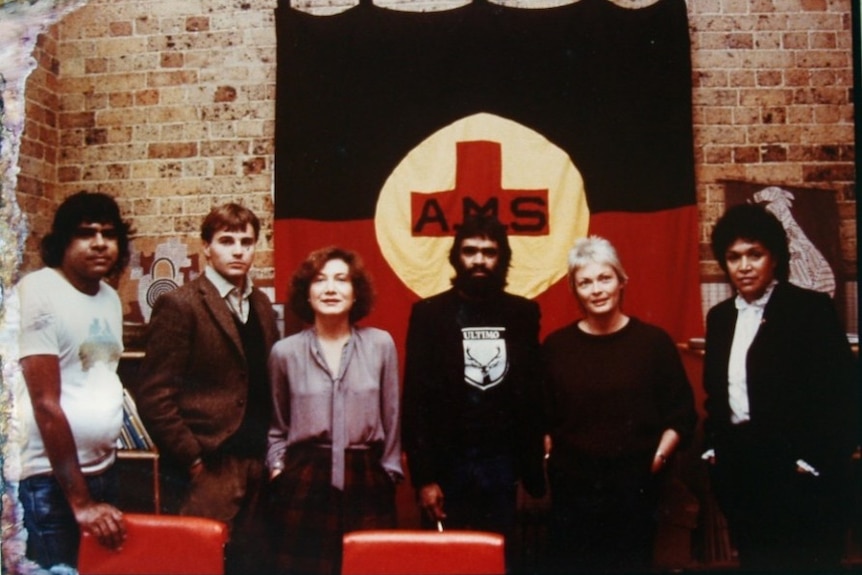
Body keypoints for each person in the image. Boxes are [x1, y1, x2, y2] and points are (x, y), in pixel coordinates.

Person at [703, 202, 858, 571]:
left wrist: (813, 462)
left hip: (800, 479)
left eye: (755, 254)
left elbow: (846, 395)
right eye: (734, 256)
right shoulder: (720, 318)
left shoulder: (810, 310)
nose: (744, 266)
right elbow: (717, 394)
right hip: (743, 474)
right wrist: (714, 450)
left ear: (774, 257)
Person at [131, 203, 279, 575]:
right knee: (200, 563)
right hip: (210, 465)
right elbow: (154, 395)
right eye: (227, 241)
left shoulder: (260, 304)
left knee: (251, 564)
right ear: (207, 248)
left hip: (256, 461)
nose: (238, 250)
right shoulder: (180, 304)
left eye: (246, 242)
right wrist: (194, 461)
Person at [541, 235, 696, 573]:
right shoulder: (556, 347)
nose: (596, 289)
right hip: (574, 492)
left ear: (622, 281)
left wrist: (658, 458)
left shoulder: (653, 343)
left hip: (635, 488)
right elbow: (542, 417)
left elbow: (682, 414)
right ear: (574, 290)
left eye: (604, 278)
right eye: (585, 282)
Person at [402, 215, 546, 565]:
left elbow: (532, 397)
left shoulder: (523, 313)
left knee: (502, 561)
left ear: (503, 258)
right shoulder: (428, 314)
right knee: (447, 563)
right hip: (447, 467)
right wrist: (424, 479)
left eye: (489, 252)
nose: (479, 260)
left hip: (504, 466)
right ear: (456, 257)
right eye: (470, 251)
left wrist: (532, 479)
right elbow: (415, 401)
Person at [266, 246, 402, 575]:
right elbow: (277, 425)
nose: (330, 289)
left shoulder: (381, 345)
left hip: (366, 477)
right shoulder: (284, 353)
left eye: (341, 279)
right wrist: (279, 470)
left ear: (356, 293)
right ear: (306, 293)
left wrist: (389, 473)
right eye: (319, 280)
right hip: (305, 479)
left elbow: (393, 416)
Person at [14, 191, 132, 570]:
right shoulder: (39, 292)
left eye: (109, 234)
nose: (100, 243)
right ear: (63, 241)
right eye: (86, 233)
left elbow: (97, 379)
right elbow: (45, 404)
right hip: (50, 481)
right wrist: (81, 502)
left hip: (104, 469)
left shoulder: (110, 298)